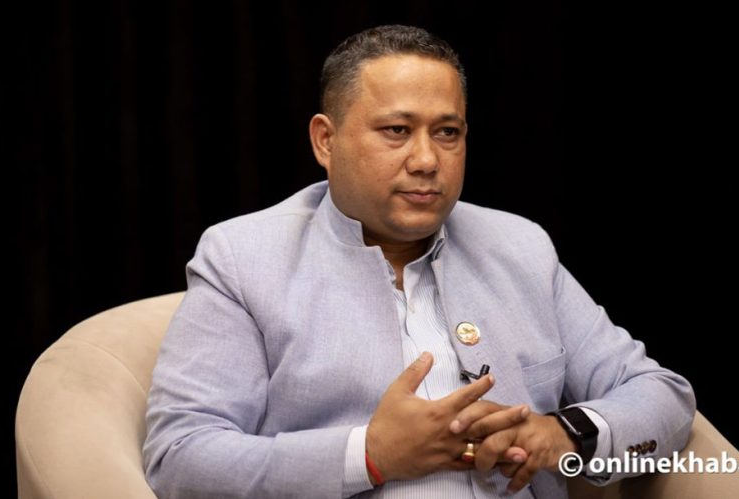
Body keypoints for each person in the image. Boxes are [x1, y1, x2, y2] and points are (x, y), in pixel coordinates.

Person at [143, 24, 695, 498]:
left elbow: (661, 393)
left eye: (447, 133)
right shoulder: (243, 258)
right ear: (325, 141)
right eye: (397, 131)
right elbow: (180, 456)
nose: (427, 160)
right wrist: (370, 455)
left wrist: (564, 433)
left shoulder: (519, 246)